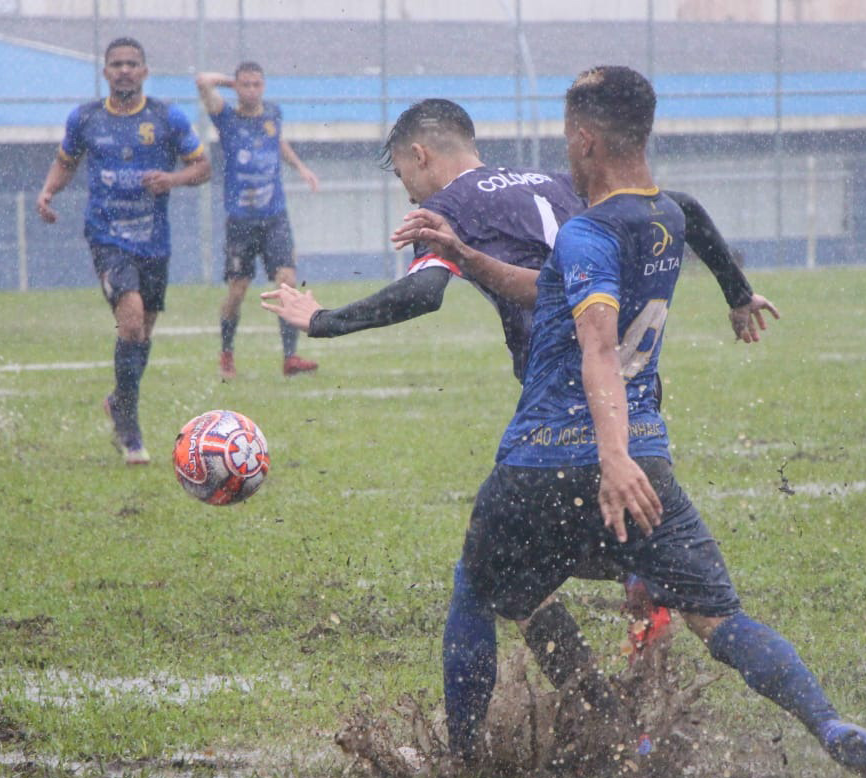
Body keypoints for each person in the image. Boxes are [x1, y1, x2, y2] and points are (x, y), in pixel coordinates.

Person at [432, 65, 866, 778]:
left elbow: (597, 348)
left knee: (475, 592)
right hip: (647, 467)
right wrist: (472, 259)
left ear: (585, 140)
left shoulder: (586, 233)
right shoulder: (665, 215)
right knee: (718, 619)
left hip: (550, 464)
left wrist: (610, 459)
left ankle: (465, 760)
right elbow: (566, 287)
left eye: (569, 141)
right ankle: (828, 723)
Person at [261, 99, 778, 675]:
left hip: (559, 406)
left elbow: (423, 292)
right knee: (630, 528)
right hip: (631, 394)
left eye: (402, 174)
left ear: (420, 154)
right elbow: (683, 210)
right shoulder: (557, 182)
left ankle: (591, 705)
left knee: (508, 577)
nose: (407, 192)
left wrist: (323, 319)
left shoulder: (450, 205)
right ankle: (643, 594)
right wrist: (736, 292)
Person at [37, 37, 211, 465]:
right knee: (130, 321)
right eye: (116, 64)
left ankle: (119, 401)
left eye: (132, 63)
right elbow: (66, 160)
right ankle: (130, 428)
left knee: (143, 331)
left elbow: (203, 167)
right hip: (107, 237)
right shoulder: (86, 119)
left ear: (145, 71)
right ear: (105, 72)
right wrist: (47, 192)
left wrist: (171, 179)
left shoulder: (166, 117)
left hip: (154, 241)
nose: (124, 70)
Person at [196, 62, 320, 379]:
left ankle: (290, 357)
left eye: (256, 84)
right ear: (237, 87)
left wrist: (300, 167)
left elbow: (276, 142)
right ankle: (227, 354)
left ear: (264, 86)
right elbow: (202, 81)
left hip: (274, 217)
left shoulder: (273, 114)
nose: (251, 90)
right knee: (238, 290)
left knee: (287, 283)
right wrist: (230, 81)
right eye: (245, 85)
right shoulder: (226, 117)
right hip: (241, 221)